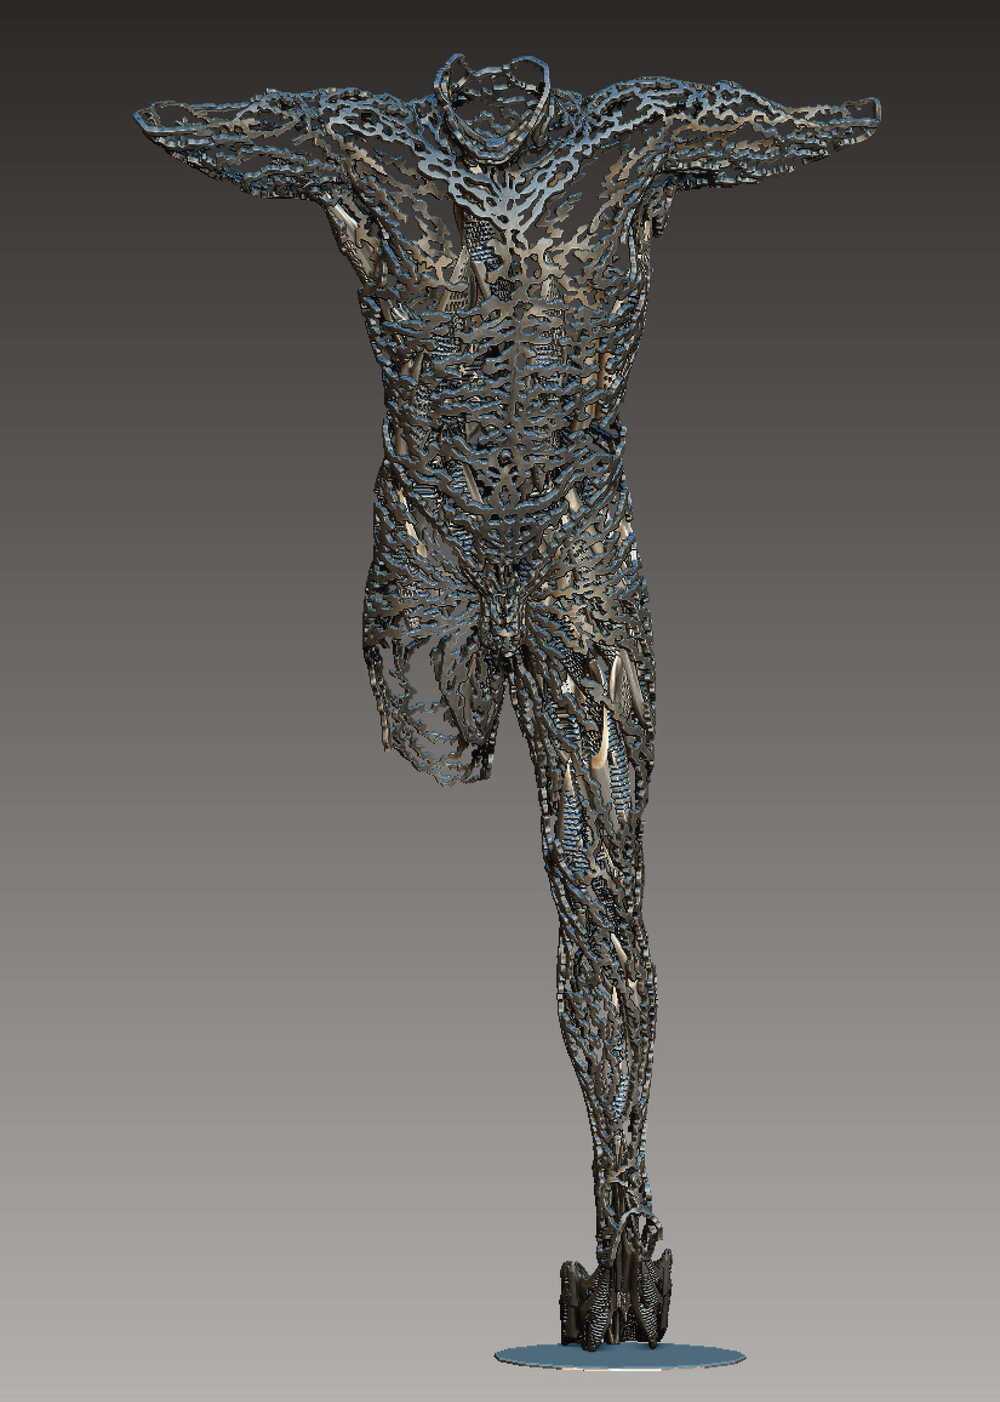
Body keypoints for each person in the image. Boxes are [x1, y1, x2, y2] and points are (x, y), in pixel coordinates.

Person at [134, 53, 880, 1349]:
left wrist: (849, 117)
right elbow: (208, 127)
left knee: (603, 883)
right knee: (433, 751)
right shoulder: (376, 149)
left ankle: (626, 1210)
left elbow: (789, 127)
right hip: (433, 538)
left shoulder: (627, 141)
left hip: (572, 540)